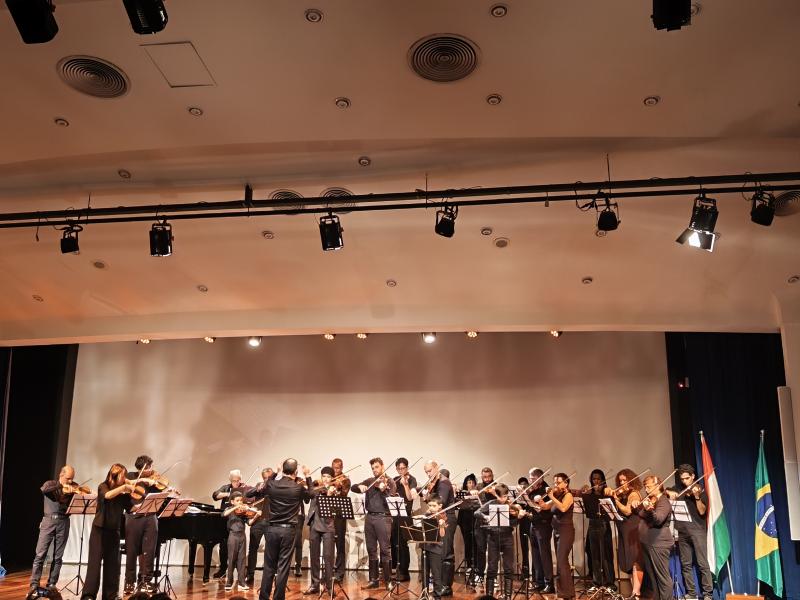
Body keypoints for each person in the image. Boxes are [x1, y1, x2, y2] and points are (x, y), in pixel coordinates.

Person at [249, 459, 312, 600]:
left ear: (282, 470)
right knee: (283, 567)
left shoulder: (272, 484)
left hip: (272, 529)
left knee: (269, 566)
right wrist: (308, 476)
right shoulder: (298, 488)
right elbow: (311, 495)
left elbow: (264, 486)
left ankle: (264, 597)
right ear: (296, 472)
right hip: (288, 531)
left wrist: (275, 473)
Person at [82, 464, 134, 600]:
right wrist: (124, 487)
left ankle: (110, 595)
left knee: (112, 566)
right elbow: (108, 495)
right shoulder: (103, 486)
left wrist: (146, 504)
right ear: (115, 475)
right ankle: (89, 595)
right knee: (94, 564)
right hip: (99, 530)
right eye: (123, 475)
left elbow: (132, 508)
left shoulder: (123, 495)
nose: (125, 478)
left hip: (114, 531)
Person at [406, 460, 457, 596]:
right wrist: (415, 490)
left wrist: (427, 496)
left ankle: (446, 586)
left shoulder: (444, 482)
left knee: (445, 553)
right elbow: (427, 493)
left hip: (446, 517)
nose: (428, 474)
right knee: (437, 552)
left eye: (430, 471)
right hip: (437, 517)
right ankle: (438, 585)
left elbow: (441, 501)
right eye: (426, 472)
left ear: (436, 468)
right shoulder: (434, 482)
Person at [29, 465, 78, 593]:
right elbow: (44, 489)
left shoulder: (73, 488)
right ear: (61, 475)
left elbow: (83, 495)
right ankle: (34, 584)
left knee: (58, 556)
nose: (70, 481)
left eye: (72, 478)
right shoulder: (50, 484)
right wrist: (61, 486)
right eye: (68, 478)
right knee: (40, 554)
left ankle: (52, 584)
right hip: (48, 521)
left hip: (64, 521)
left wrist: (75, 491)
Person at [667, 465, 713, 600]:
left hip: (697, 531)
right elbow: (665, 490)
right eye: (682, 479)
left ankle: (708, 594)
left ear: (693, 476)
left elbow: (702, 511)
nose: (684, 481)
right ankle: (691, 593)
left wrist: (697, 497)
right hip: (682, 531)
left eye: (687, 478)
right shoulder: (678, 488)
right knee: (685, 564)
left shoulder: (699, 490)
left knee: (702, 563)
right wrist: (669, 493)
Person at [352, 457, 397, 590]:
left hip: (383, 518)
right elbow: (353, 487)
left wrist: (384, 491)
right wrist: (359, 486)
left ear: (382, 466)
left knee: (385, 549)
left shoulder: (390, 482)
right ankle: (373, 580)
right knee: (371, 549)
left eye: (376, 467)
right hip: (370, 517)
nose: (374, 470)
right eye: (372, 468)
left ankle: (388, 581)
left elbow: (391, 500)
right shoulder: (370, 481)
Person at [476, 483, 528, 600]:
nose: (504, 499)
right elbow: (477, 512)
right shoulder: (491, 503)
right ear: (497, 495)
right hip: (493, 538)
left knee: (508, 568)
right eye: (502, 497)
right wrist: (486, 517)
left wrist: (519, 517)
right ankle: (489, 597)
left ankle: (507, 596)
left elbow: (513, 524)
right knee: (492, 568)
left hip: (507, 537)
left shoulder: (511, 506)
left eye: (506, 496)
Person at [123, 455, 164, 594]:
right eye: (148, 468)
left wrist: (165, 489)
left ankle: (146, 580)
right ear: (140, 469)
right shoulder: (130, 476)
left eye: (151, 467)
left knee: (150, 550)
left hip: (150, 517)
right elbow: (125, 486)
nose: (151, 470)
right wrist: (141, 480)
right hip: (133, 516)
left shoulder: (154, 480)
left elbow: (161, 491)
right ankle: (129, 581)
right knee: (132, 550)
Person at [632, 476, 672, 600]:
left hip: (659, 543)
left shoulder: (663, 501)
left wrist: (649, 510)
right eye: (645, 487)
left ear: (658, 486)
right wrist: (636, 506)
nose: (646, 490)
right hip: (648, 543)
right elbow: (641, 514)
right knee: (653, 576)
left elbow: (658, 520)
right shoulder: (651, 500)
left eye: (649, 487)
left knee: (662, 577)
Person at [605, 469, 643, 598]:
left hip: (633, 530)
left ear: (631, 480)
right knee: (628, 561)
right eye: (620, 481)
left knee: (635, 560)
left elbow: (627, 511)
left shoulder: (634, 494)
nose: (622, 483)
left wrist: (615, 500)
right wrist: (609, 494)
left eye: (624, 480)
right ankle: (634, 591)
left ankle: (636, 592)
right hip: (624, 529)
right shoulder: (622, 493)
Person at [538, 473, 574, 600]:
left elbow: (563, 508)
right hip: (557, 530)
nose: (555, 485)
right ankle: (565, 592)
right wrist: (540, 502)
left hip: (566, 531)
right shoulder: (557, 496)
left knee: (562, 561)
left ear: (566, 483)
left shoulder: (568, 495)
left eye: (558, 482)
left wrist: (552, 497)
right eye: (554, 482)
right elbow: (545, 507)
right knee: (561, 562)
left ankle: (566, 593)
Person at [303, 467, 337, 595]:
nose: (326, 479)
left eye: (328, 476)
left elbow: (334, 510)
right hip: (314, 525)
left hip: (328, 526)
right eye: (324, 476)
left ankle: (329, 586)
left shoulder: (334, 491)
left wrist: (330, 495)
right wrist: (308, 476)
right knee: (314, 556)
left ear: (332, 478)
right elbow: (310, 493)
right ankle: (315, 585)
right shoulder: (317, 489)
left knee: (328, 557)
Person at [579, 470, 615, 591]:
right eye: (594, 479)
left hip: (604, 524)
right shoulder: (589, 494)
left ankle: (610, 583)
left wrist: (609, 494)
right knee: (593, 555)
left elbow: (612, 510)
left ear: (603, 480)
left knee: (606, 555)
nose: (596, 481)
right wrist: (584, 492)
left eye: (599, 479)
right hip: (592, 524)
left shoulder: (607, 492)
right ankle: (597, 582)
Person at [212, 469, 251, 580]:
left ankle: (240, 571)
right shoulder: (226, 487)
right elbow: (215, 495)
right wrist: (229, 494)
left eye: (238, 480)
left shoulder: (244, 488)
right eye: (234, 481)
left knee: (239, 548)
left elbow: (251, 497)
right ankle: (223, 569)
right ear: (230, 480)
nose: (236, 483)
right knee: (223, 545)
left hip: (238, 521)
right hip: (226, 521)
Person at [246, 468, 275, 586]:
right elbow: (248, 494)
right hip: (257, 521)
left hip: (270, 521)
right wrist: (257, 488)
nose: (267, 480)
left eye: (269, 478)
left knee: (271, 549)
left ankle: (270, 573)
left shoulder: (275, 487)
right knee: (253, 548)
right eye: (265, 478)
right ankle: (250, 574)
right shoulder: (259, 486)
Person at [391, 457, 417, 582]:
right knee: (394, 543)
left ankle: (404, 572)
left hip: (405, 515)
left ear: (407, 468)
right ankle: (395, 569)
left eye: (403, 468)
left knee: (402, 544)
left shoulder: (412, 480)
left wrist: (406, 485)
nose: (401, 471)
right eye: (399, 469)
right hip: (395, 515)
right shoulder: (394, 480)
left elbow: (410, 498)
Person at [529, 468, 554, 593]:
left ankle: (549, 583)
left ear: (540, 478)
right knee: (536, 555)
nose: (530, 481)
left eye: (532, 479)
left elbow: (546, 508)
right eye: (530, 478)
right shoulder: (532, 490)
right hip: (533, 524)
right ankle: (539, 582)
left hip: (543, 525)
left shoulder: (546, 489)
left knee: (544, 555)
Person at [470, 467, 496, 589]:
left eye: (489, 477)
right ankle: (479, 574)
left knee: (492, 551)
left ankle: (492, 576)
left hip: (493, 521)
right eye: (484, 477)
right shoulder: (479, 486)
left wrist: (494, 492)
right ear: (481, 477)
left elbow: (502, 499)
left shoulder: (496, 486)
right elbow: (471, 495)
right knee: (480, 549)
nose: (487, 479)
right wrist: (473, 492)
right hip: (480, 522)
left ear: (492, 476)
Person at [421, 495, 448, 600]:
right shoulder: (426, 515)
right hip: (425, 546)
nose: (431, 508)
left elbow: (442, 535)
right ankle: (424, 594)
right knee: (424, 572)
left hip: (436, 548)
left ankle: (437, 596)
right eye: (430, 505)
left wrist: (441, 525)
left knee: (436, 574)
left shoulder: (442, 516)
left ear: (440, 506)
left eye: (434, 506)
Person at [330, 458, 352, 583]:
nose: (335, 470)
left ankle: (339, 572)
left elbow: (344, 494)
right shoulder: (329, 479)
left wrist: (339, 487)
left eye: (337, 468)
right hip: (329, 516)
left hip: (339, 517)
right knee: (328, 545)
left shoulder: (345, 480)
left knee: (339, 545)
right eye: (333, 468)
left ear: (342, 468)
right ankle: (329, 571)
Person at [457, 474, 479, 585]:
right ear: (466, 484)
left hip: (475, 520)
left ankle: (476, 566)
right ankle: (469, 565)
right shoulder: (462, 493)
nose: (471, 484)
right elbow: (458, 506)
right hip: (465, 520)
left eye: (472, 482)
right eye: (469, 482)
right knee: (467, 543)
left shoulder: (478, 493)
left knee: (476, 543)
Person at [515, 477, 534, 583]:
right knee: (524, 549)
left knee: (534, 549)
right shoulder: (518, 497)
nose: (523, 486)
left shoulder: (531, 495)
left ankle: (535, 573)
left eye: (525, 484)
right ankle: (525, 572)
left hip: (531, 524)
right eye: (521, 485)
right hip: (522, 524)